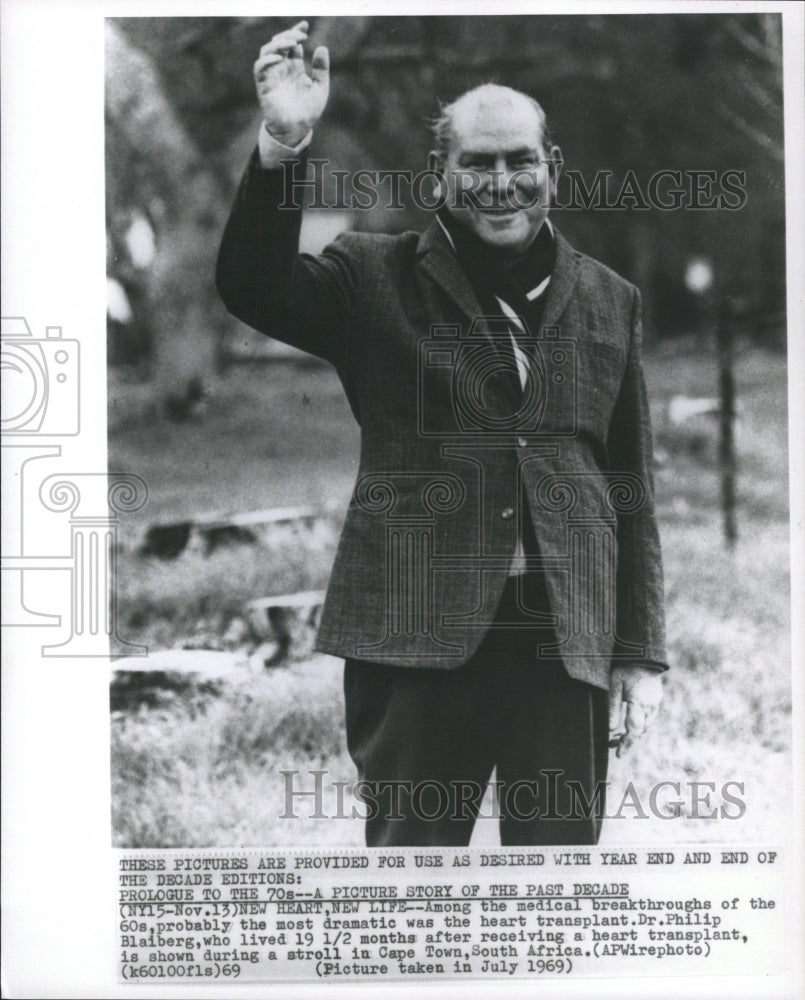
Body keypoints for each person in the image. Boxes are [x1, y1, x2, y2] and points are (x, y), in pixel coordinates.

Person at [216, 20, 668, 846]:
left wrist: (636, 651)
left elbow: (629, 486)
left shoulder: (610, 299)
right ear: (441, 175)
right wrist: (284, 142)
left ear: (550, 169)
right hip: (413, 638)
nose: (501, 182)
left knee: (552, 890)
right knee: (410, 877)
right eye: (478, 163)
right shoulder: (370, 277)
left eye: (518, 161)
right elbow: (252, 286)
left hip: (562, 642)